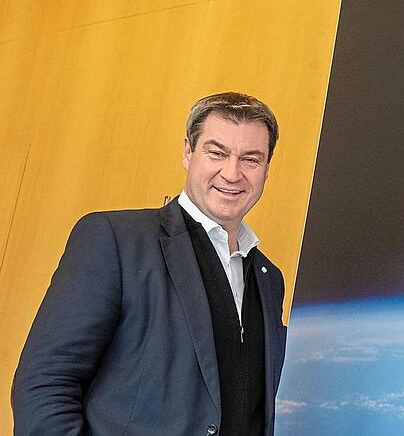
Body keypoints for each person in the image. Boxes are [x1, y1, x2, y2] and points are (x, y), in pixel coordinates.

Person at [13, 92, 287, 435]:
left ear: (266, 169)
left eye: (251, 159)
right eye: (217, 153)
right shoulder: (114, 240)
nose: (231, 173)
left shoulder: (268, 278)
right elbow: (45, 382)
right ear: (188, 152)